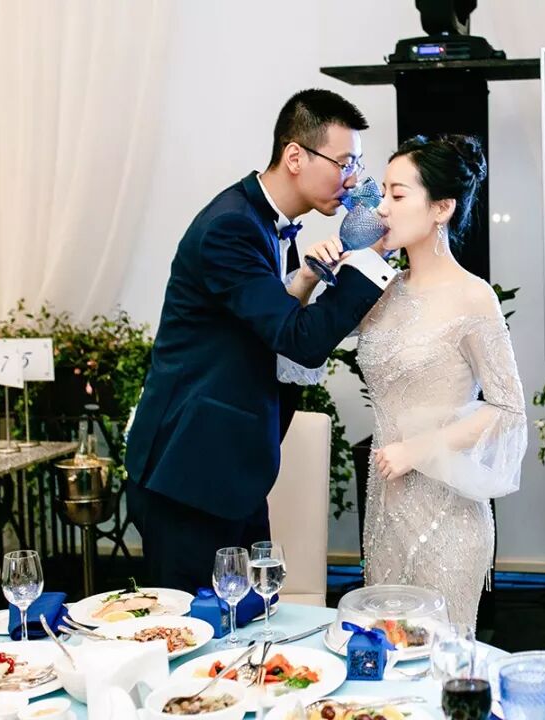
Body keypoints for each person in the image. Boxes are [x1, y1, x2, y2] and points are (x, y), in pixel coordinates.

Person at [124, 89, 395, 591]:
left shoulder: (268, 225)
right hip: (188, 473)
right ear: (295, 156)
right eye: (344, 163)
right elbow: (297, 340)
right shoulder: (231, 226)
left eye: (356, 164)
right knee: (193, 627)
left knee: (247, 617)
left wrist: (307, 279)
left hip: (230, 468)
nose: (353, 179)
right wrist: (370, 262)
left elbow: (264, 322)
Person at [358, 135, 527, 627]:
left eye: (397, 194)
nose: (382, 208)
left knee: (442, 659)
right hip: (385, 506)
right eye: (382, 194)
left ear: (442, 208)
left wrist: (418, 449)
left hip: (447, 515)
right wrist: (318, 273)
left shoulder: (473, 297)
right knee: (387, 654)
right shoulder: (382, 291)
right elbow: (301, 342)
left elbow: (508, 409)